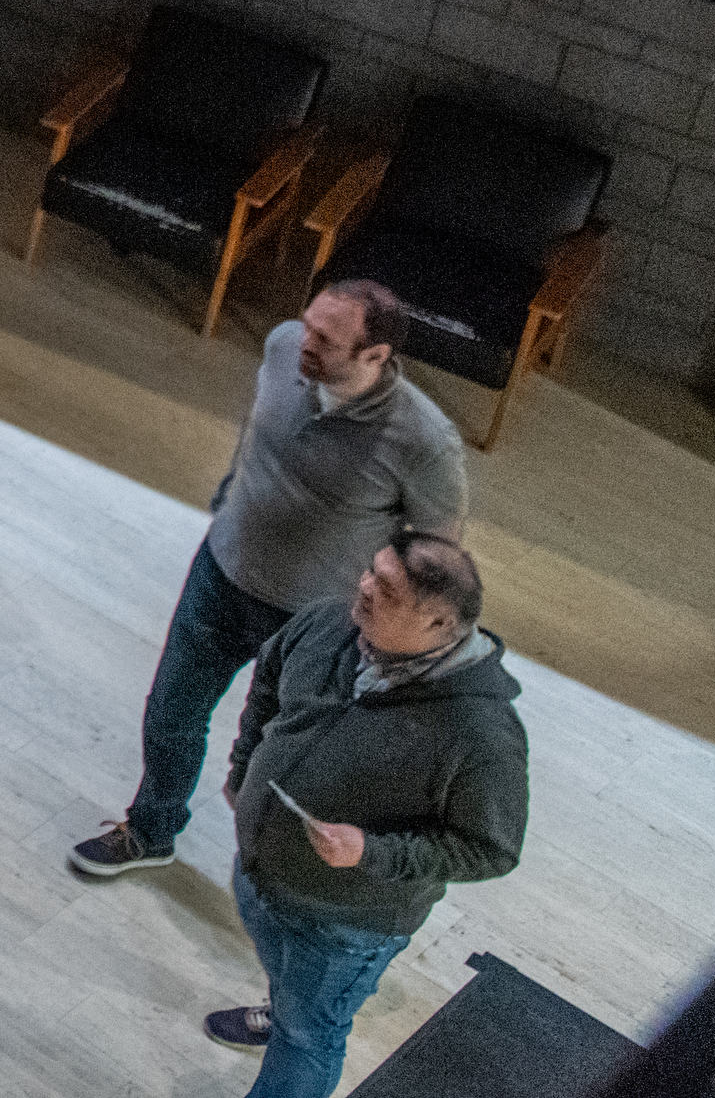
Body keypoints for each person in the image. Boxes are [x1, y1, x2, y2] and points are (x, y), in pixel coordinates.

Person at [69, 280, 468, 882]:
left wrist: (389, 630)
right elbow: (256, 426)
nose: (304, 340)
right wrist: (230, 493)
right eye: (307, 323)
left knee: (280, 756)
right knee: (172, 710)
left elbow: (435, 554)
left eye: (325, 339)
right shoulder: (284, 347)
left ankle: (278, 871)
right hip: (222, 574)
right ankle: (152, 830)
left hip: (310, 622)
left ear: (375, 356)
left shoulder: (425, 442)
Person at [208, 537, 528, 1097]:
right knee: (290, 986)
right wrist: (242, 771)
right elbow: (268, 682)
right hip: (263, 871)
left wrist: (371, 852)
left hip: (345, 923)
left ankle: (294, 1022)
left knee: (309, 1039)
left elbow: (490, 850)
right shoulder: (331, 623)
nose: (363, 587)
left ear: (435, 622)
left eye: (386, 589)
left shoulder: (482, 736)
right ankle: (284, 1007)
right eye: (371, 572)